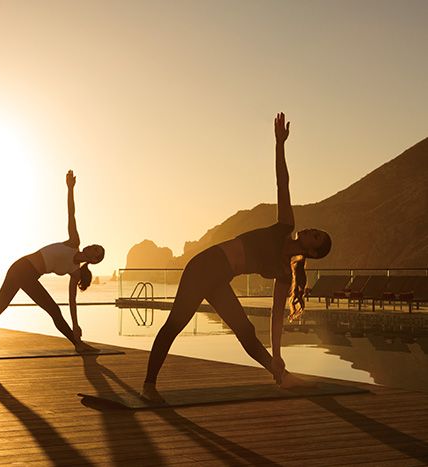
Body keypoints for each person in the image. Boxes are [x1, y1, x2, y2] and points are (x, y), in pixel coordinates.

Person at [142, 113, 332, 400]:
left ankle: (281, 375)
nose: (310, 231)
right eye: (315, 230)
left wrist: (278, 354)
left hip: (219, 278)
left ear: (312, 252)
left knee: (245, 331)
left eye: (315, 236)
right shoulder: (284, 228)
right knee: (175, 324)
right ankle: (148, 386)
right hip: (205, 266)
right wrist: (279, 144)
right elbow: (283, 184)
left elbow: (276, 316)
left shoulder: (284, 271)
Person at [0, 170, 105, 359]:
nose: (93, 246)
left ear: (94, 260)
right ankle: (78, 345)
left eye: (97, 251)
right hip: (21, 267)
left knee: (42, 310)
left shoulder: (75, 272)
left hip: (27, 274)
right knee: (1, 308)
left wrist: (76, 324)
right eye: (95, 246)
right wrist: (70, 188)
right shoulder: (74, 242)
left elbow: (72, 302)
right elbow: (71, 213)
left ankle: (78, 344)